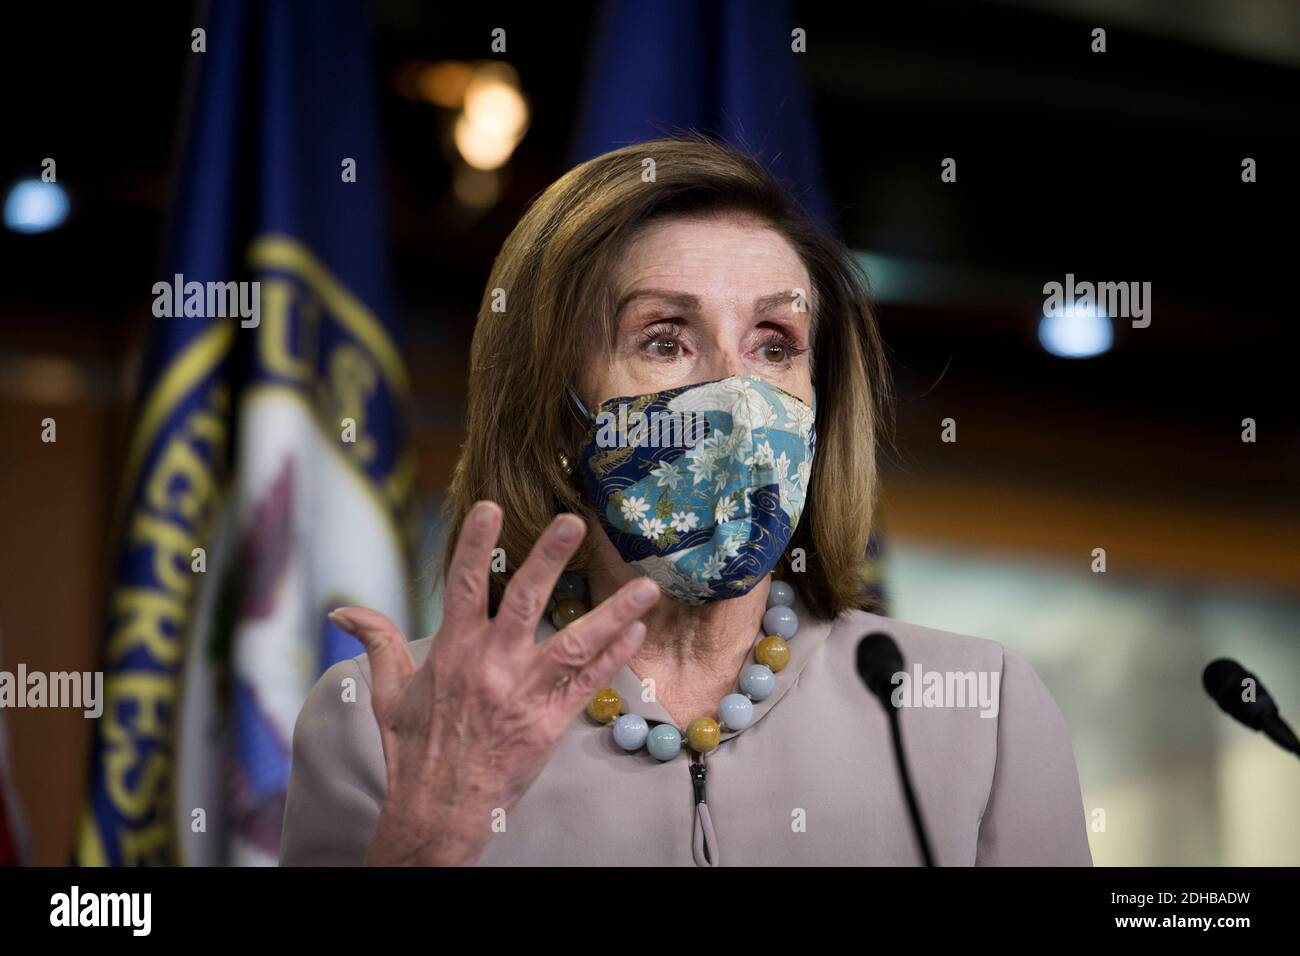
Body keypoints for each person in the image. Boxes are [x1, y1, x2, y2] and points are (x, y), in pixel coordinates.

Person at [279, 136, 1092, 866]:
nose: (737, 396)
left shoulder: (978, 708)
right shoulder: (390, 724)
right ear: (557, 406)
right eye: (664, 340)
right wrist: (427, 846)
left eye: (775, 345)